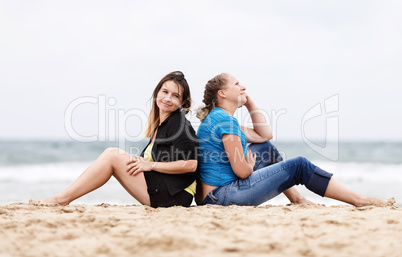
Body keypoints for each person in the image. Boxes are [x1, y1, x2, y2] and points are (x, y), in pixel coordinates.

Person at [195, 73, 395, 207]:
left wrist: (250, 103)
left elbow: (264, 136)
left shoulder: (221, 119)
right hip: (221, 197)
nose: (243, 87)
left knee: (265, 148)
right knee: (299, 165)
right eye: (237, 84)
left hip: (217, 194)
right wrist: (248, 162)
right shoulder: (225, 122)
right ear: (222, 93)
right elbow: (242, 170)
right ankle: (359, 200)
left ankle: (298, 199)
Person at [40, 71, 198, 208]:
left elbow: (191, 164)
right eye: (165, 92)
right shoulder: (163, 125)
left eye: (175, 95)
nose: (168, 98)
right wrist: (143, 162)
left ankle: (61, 199)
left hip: (175, 196)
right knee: (114, 156)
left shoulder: (178, 123)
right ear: (157, 93)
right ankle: (62, 198)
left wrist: (150, 165)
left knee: (112, 155)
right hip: (166, 191)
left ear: (183, 102)